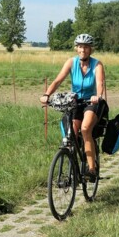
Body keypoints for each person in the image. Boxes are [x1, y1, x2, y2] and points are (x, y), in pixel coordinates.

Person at [40, 34, 106, 182]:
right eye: (80, 46)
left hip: (92, 102)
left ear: (91, 49)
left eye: (86, 47)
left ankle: (91, 169)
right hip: (75, 102)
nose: (83, 49)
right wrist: (47, 94)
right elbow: (58, 80)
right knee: (71, 135)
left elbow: (100, 83)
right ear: (76, 48)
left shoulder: (97, 65)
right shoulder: (71, 62)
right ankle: (73, 170)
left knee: (85, 129)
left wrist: (98, 95)